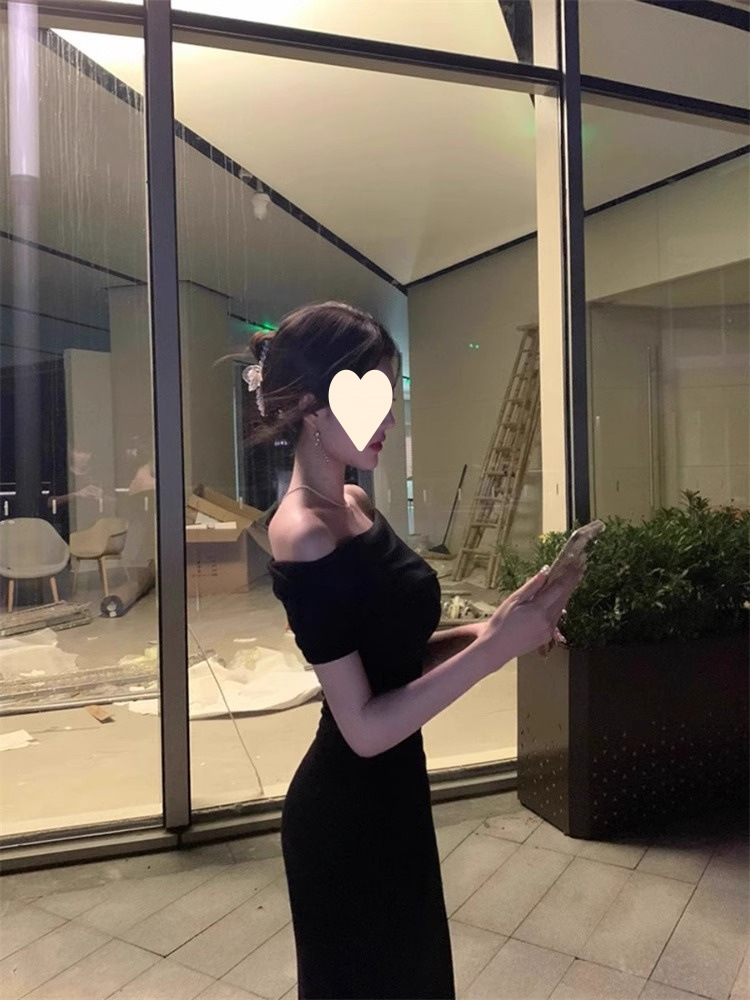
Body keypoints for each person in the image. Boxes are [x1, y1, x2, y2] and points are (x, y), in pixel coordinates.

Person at [242, 302, 581, 1000]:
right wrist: (494, 650)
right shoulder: (302, 533)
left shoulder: (356, 505)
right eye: (369, 397)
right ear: (310, 406)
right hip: (344, 816)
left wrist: (497, 628)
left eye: (389, 398)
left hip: (395, 797)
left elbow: (392, 657)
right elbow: (363, 728)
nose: (389, 420)